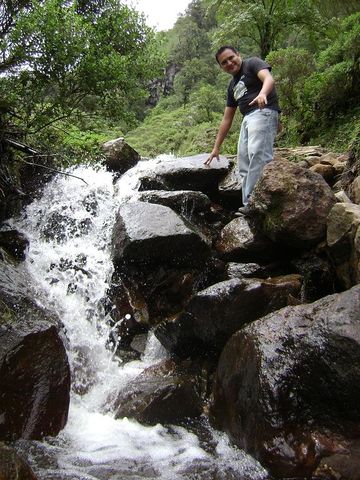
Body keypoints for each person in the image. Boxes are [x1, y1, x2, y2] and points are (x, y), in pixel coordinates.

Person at [205, 46, 280, 214]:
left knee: (258, 155)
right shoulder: (232, 86)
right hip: (247, 119)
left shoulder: (252, 63)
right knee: (244, 162)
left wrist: (262, 94)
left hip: (263, 111)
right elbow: (227, 119)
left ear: (238, 55)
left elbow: (268, 79)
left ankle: (256, 203)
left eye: (231, 57)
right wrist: (216, 148)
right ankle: (249, 203)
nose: (229, 63)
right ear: (221, 67)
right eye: (224, 62)